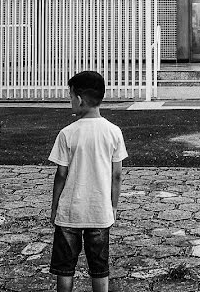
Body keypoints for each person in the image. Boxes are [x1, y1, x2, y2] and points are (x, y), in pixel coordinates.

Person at [49, 71, 127, 292]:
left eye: (71, 96)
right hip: (100, 212)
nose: (70, 101)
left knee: (65, 268)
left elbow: (61, 175)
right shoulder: (114, 132)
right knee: (99, 268)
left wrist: (55, 207)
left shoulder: (67, 133)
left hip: (70, 212)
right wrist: (113, 205)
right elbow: (117, 175)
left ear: (80, 99)